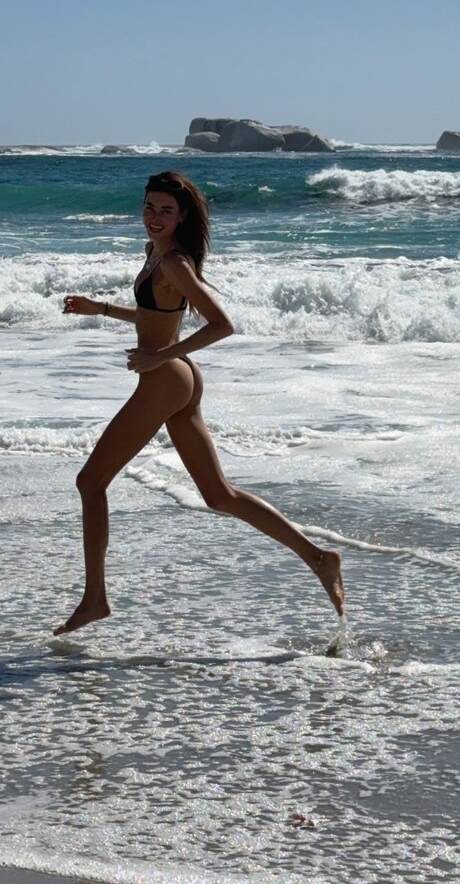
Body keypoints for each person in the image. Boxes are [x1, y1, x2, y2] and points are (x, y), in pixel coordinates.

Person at [54, 171, 344, 636]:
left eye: (166, 211)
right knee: (219, 494)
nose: (155, 217)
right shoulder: (156, 253)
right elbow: (153, 315)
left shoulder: (174, 263)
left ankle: (95, 600)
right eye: (150, 207)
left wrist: (159, 357)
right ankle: (319, 557)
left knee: (90, 482)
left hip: (166, 379)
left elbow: (221, 324)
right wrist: (101, 309)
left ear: (182, 216)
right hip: (178, 378)